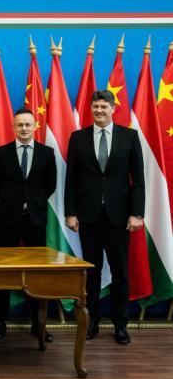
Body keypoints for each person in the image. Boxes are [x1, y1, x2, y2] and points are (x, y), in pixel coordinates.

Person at [65, 89, 144, 346]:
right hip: (88, 217)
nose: (99, 111)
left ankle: (121, 326)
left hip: (120, 217)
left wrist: (136, 213)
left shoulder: (129, 137)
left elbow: (138, 180)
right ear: (91, 108)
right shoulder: (77, 138)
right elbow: (71, 180)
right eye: (95, 107)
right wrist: (71, 212)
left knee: (120, 272)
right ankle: (92, 323)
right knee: (92, 273)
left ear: (113, 108)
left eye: (103, 107)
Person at [0, 107, 57, 342]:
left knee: (36, 274)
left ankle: (37, 324)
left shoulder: (47, 153)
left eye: (28, 124)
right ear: (13, 127)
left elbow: (50, 186)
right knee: (4, 272)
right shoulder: (2, 153)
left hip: (35, 220)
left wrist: (32, 203)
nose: (24, 128)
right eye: (20, 125)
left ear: (35, 126)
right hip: (9, 219)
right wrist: (15, 203)